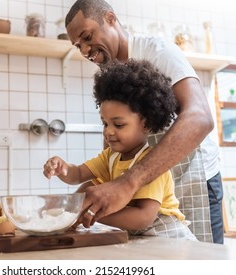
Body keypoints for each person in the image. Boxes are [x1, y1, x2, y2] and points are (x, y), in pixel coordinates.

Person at [64, 0, 223, 243]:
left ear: (110, 19)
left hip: (193, 181)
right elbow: (112, 153)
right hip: (144, 184)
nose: (84, 50)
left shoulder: (157, 52)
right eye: (78, 45)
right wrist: (76, 205)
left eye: (87, 37)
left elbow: (200, 118)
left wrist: (127, 183)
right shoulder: (109, 75)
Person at [44, 59, 197, 240]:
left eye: (118, 124)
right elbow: (77, 175)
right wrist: (63, 168)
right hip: (145, 240)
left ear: (146, 123)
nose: (108, 131)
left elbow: (143, 218)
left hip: (171, 238)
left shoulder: (152, 166)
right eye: (105, 123)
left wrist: (90, 213)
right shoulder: (110, 157)